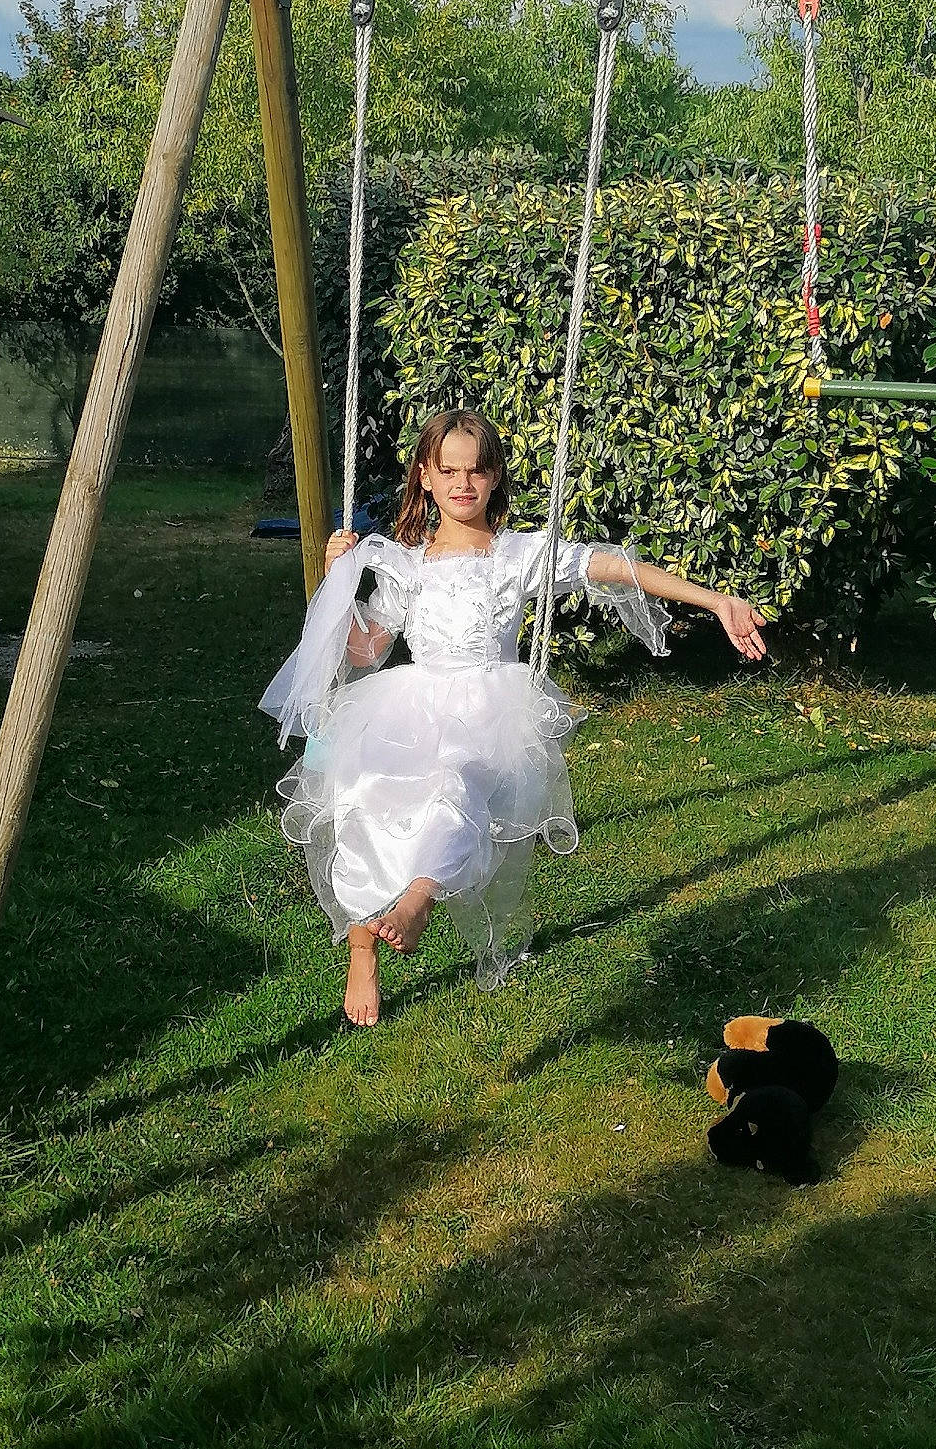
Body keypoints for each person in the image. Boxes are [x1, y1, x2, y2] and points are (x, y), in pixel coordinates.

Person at [260, 409, 767, 1026]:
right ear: (425, 476)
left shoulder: (519, 556)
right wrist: (340, 583)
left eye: (476, 471)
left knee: (459, 787)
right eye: (448, 471)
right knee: (362, 796)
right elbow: (368, 650)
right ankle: (362, 952)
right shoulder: (405, 564)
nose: (462, 484)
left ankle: (418, 900)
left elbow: (614, 567)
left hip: (489, 708)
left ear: (495, 477)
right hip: (411, 701)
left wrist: (716, 600)